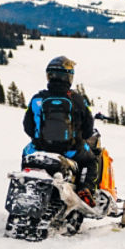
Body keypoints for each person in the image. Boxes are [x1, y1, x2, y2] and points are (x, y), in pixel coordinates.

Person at [23, 56, 98, 198]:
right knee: (91, 160)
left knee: (26, 154)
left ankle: (27, 184)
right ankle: (85, 189)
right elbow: (88, 129)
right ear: (69, 77)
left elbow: (28, 127)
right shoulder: (77, 99)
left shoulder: (37, 98)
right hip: (70, 151)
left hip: (40, 148)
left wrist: (40, 140)